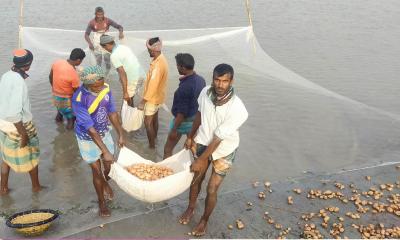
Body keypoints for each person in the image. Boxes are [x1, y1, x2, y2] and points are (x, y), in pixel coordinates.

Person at [179, 64, 248, 236]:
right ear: (212, 78)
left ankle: (204, 220)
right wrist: (190, 136)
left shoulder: (238, 109)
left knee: (211, 189)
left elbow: (218, 138)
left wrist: (202, 159)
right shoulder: (205, 92)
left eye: (225, 81)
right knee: (196, 180)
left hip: (224, 149)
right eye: (217, 79)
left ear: (231, 81)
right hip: (202, 141)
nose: (220, 84)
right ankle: (191, 208)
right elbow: (199, 116)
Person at [72, 65, 125, 217]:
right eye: (96, 86)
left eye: (102, 84)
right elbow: (90, 129)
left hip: (104, 132)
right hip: (87, 138)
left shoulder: (105, 89)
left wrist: (120, 133)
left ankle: (105, 181)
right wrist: (105, 151)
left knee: (108, 167)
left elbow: (112, 112)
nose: (100, 88)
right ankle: (101, 202)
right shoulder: (79, 99)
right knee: (96, 171)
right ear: (87, 84)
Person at [0, 49, 42, 195]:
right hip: (18, 125)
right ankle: (36, 187)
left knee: (6, 156)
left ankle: (3, 188)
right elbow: (14, 112)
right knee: (32, 154)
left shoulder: (7, 75)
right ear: (28, 64)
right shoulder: (19, 82)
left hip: (3, 123)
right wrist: (23, 134)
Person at [163, 53, 205, 159]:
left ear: (182, 67)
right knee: (196, 151)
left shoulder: (185, 87)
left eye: (177, 65)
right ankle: (199, 167)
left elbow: (182, 113)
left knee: (167, 149)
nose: (176, 67)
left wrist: (174, 130)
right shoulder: (201, 80)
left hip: (182, 122)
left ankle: (164, 173)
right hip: (195, 121)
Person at [138, 37, 169, 148]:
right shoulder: (161, 59)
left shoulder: (157, 65)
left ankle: (151, 147)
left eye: (148, 49)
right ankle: (155, 139)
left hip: (152, 98)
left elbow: (152, 85)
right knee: (155, 118)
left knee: (147, 123)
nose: (147, 51)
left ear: (153, 50)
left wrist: (143, 101)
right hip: (159, 97)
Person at [100, 34, 145, 106]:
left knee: (127, 100)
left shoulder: (114, 55)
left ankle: (130, 115)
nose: (104, 49)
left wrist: (125, 92)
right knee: (145, 99)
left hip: (133, 78)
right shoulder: (124, 47)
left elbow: (122, 73)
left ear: (107, 45)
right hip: (142, 75)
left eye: (103, 47)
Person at [49, 48, 86, 129]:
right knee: (71, 118)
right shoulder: (73, 74)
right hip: (66, 99)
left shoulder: (57, 63)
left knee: (60, 112)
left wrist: (54, 87)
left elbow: (50, 76)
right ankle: (68, 138)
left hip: (55, 95)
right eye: (81, 61)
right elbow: (76, 91)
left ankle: (58, 128)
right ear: (78, 60)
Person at [84, 6, 124, 73]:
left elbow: (119, 27)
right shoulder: (92, 22)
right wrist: (90, 43)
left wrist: (120, 33)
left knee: (107, 59)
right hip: (97, 43)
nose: (100, 16)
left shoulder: (107, 20)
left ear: (104, 14)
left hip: (106, 42)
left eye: (101, 14)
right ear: (95, 14)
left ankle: (108, 74)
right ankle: (99, 75)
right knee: (98, 60)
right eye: (98, 14)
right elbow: (86, 34)